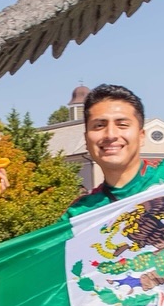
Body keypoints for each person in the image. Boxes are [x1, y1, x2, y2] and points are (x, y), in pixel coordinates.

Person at [67, 84, 157, 212]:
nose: (111, 135)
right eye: (99, 125)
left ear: (141, 136)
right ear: (86, 139)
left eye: (122, 125)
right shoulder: (80, 213)